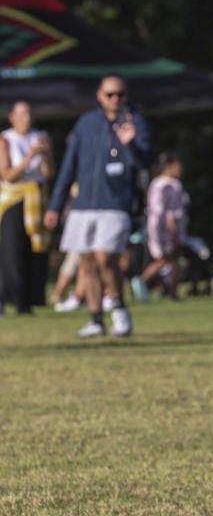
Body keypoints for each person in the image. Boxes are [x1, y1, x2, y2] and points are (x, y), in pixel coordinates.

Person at [44, 75, 151, 337]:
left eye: (120, 94)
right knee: (87, 260)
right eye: (110, 94)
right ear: (99, 95)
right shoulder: (86, 123)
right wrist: (56, 205)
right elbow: (70, 166)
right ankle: (96, 319)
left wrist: (131, 145)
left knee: (105, 257)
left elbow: (145, 162)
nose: (115, 99)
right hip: (83, 204)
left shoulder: (135, 122)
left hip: (115, 203)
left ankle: (119, 308)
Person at [0, 100, 54, 316]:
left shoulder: (40, 137)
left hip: (37, 199)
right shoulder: (6, 139)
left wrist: (45, 154)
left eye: (29, 114)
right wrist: (30, 157)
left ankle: (27, 302)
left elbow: (49, 173)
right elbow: (7, 175)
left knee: (35, 251)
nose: (27, 118)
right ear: (12, 117)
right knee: (11, 252)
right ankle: (6, 298)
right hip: (14, 200)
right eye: (21, 114)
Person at [134, 151, 186, 301]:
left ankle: (171, 292)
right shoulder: (173, 185)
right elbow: (171, 212)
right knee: (170, 257)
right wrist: (173, 230)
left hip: (154, 225)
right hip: (167, 226)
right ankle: (145, 281)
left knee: (169, 258)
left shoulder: (155, 183)